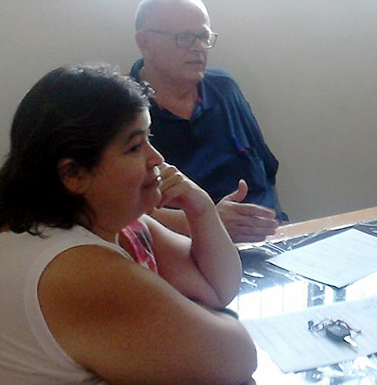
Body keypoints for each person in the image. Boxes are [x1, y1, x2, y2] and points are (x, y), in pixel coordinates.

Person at [0, 65, 257, 384]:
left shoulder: (118, 224)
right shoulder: (78, 269)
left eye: (149, 138)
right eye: (135, 147)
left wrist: (202, 209)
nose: (157, 159)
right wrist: (197, 313)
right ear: (74, 174)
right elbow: (236, 357)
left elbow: (217, 289)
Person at [131, 0, 283, 243]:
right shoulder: (125, 108)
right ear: (144, 42)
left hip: (275, 240)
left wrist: (284, 227)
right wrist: (207, 221)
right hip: (190, 249)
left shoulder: (224, 88)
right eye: (184, 38)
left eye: (203, 37)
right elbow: (123, 209)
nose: (198, 48)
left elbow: (266, 171)